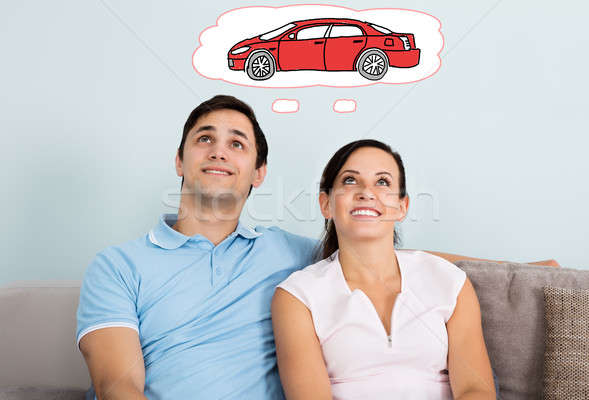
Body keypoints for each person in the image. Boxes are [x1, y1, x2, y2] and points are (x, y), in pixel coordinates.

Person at [77, 95, 552, 399]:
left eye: (237, 144)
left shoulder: (287, 257)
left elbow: (385, 256)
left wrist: (520, 271)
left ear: (258, 173)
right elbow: (117, 384)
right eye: (205, 140)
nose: (219, 151)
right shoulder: (118, 266)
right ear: (180, 161)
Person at [272, 140, 497, 399]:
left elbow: (476, 389)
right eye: (349, 180)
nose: (367, 192)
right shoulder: (297, 296)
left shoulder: (450, 282)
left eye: (382, 182)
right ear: (326, 204)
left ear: (402, 206)